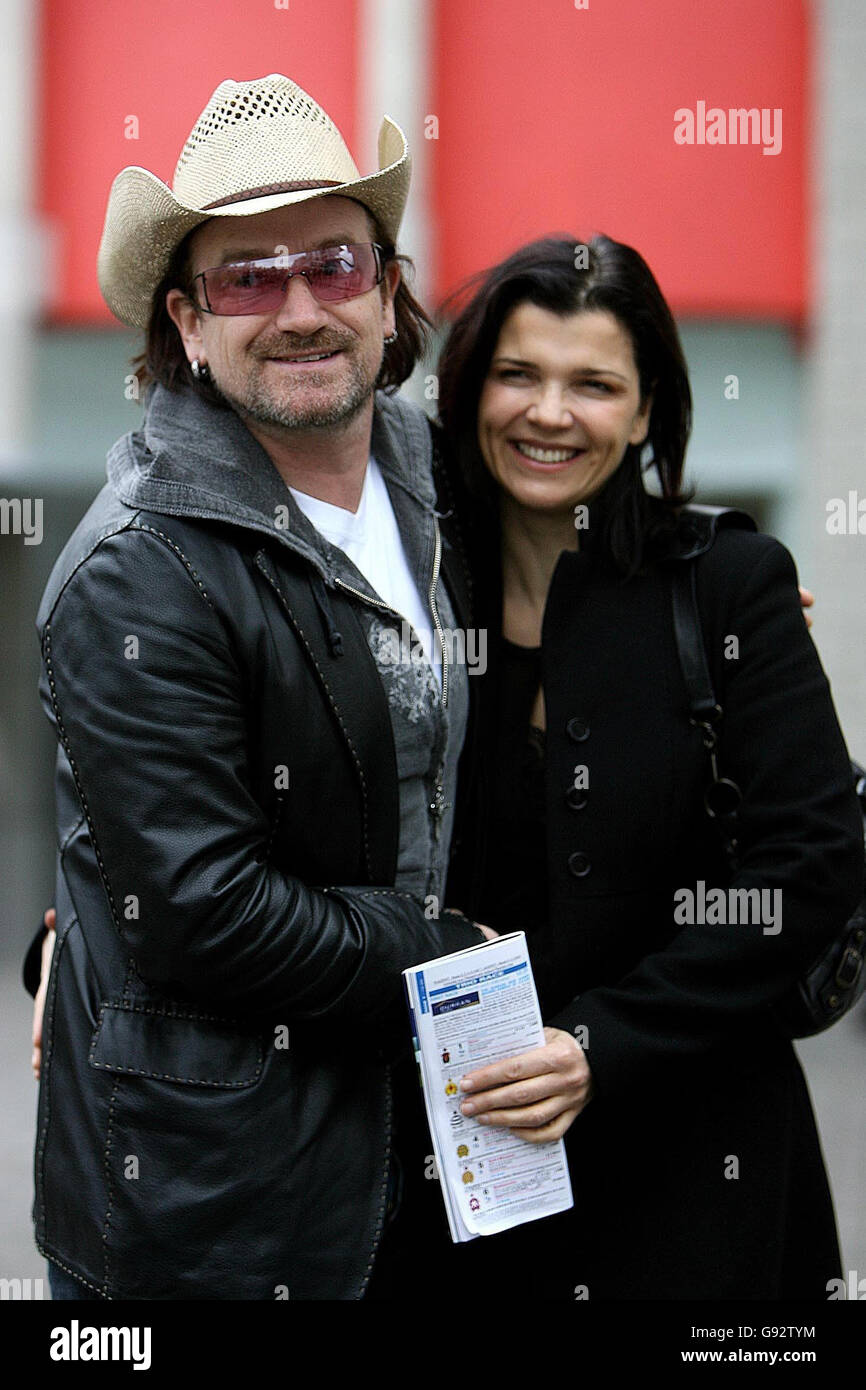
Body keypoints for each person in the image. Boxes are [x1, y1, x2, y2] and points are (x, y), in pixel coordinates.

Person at [21, 72, 494, 1301]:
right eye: (247, 277)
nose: (298, 309)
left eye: (333, 265)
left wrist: (716, 604)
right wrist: (445, 949)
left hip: (419, 1146)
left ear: (388, 294)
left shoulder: (435, 481)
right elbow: (203, 908)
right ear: (185, 322)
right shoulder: (140, 567)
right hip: (214, 1206)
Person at [427, 234, 863, 1299]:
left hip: (698, 1168)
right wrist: (76, 937)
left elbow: (807, 865)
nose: (548, 413)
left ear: (642, 409)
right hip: (473, 1169)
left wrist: (597, 1042)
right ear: (471, 388)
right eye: (517, 374)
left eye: (593, 384)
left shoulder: (726, 582)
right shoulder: (414, 591)